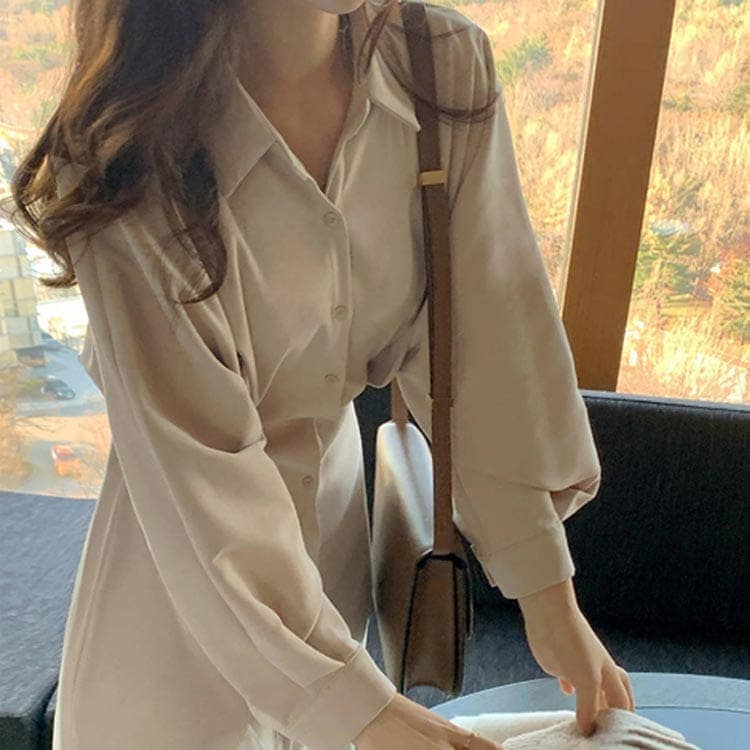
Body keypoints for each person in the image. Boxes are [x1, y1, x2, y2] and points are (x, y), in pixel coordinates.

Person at [8, 1, 636, 748]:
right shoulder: (130, 139)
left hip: (334, 544)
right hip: (178, 581)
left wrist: (547, 592)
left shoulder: (437, 65)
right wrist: (358, 709)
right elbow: (194, 461)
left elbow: (490, 334)